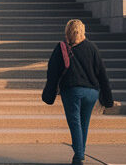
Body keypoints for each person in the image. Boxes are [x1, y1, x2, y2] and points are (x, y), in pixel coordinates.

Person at [42, 19, 114, 165]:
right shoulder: (92, 48)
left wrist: (49, 94)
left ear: (67, 31)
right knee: (83, 123)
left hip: (72, 91)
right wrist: (108, 98)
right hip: (91, 93)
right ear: (82, 31)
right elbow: (102, 74)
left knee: (75, 123)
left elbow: (52, 73)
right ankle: (80, 151)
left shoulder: (61, 48)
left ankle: (79, 156)